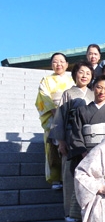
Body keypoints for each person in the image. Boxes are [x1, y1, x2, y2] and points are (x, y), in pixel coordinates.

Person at [50, 61, 94, 222]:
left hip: (89, 140)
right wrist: (61, 141)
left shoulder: (93, 93)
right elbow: (60, 118)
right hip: (70, 138)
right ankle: (70, 211)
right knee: (69, 174)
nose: (84, 76)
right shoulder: (68, 93)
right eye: (81, 72)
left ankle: (86, 209)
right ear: (75, 74)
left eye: (88, 73)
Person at [35, 52, 74, 189]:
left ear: (67, 64)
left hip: (69, 115)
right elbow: (44, 97)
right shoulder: (45, 80)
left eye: (62, 61)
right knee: (52, 148)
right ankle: (55, 178)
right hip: (53, 117)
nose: (59, 64)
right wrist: (55, 112)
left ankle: (67, 177)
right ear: (51, 64)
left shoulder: (72, 80)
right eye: (55, 62)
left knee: (68, 145)